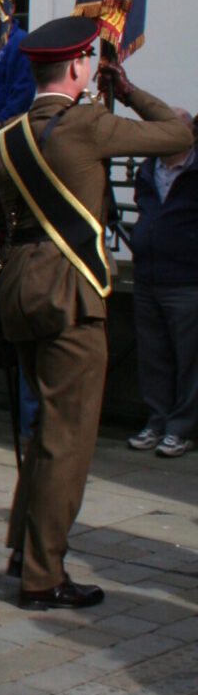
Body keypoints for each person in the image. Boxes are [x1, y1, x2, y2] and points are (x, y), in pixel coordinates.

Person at [0, 19, 191, 607]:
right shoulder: (88, 124)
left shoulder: (5, 137)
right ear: (79, 68)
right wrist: (125, 90)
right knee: (67, 440)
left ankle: (25, 549)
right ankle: (43, 576)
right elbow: (175, 136)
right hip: (71, 292)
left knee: (45, 430)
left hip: (20, 290)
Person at [125, 111, 198, 458]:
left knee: (187, 358)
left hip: (185, 278)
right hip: (148, 274)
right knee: (153, 356)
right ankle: (157, 420)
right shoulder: (148, 168)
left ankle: (180, 428)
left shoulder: (193, 171)